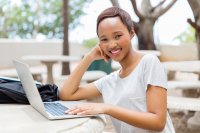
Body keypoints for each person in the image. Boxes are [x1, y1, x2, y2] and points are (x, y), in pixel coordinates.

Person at [59, 6, 175, 133]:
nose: (112, 44)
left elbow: (158, 122)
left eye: (118, 36)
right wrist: (89, 57)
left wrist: (107, 108)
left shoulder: (148, 63)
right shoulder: (110, 81)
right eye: (104, 39)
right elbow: (66, 94)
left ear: (131, 33)